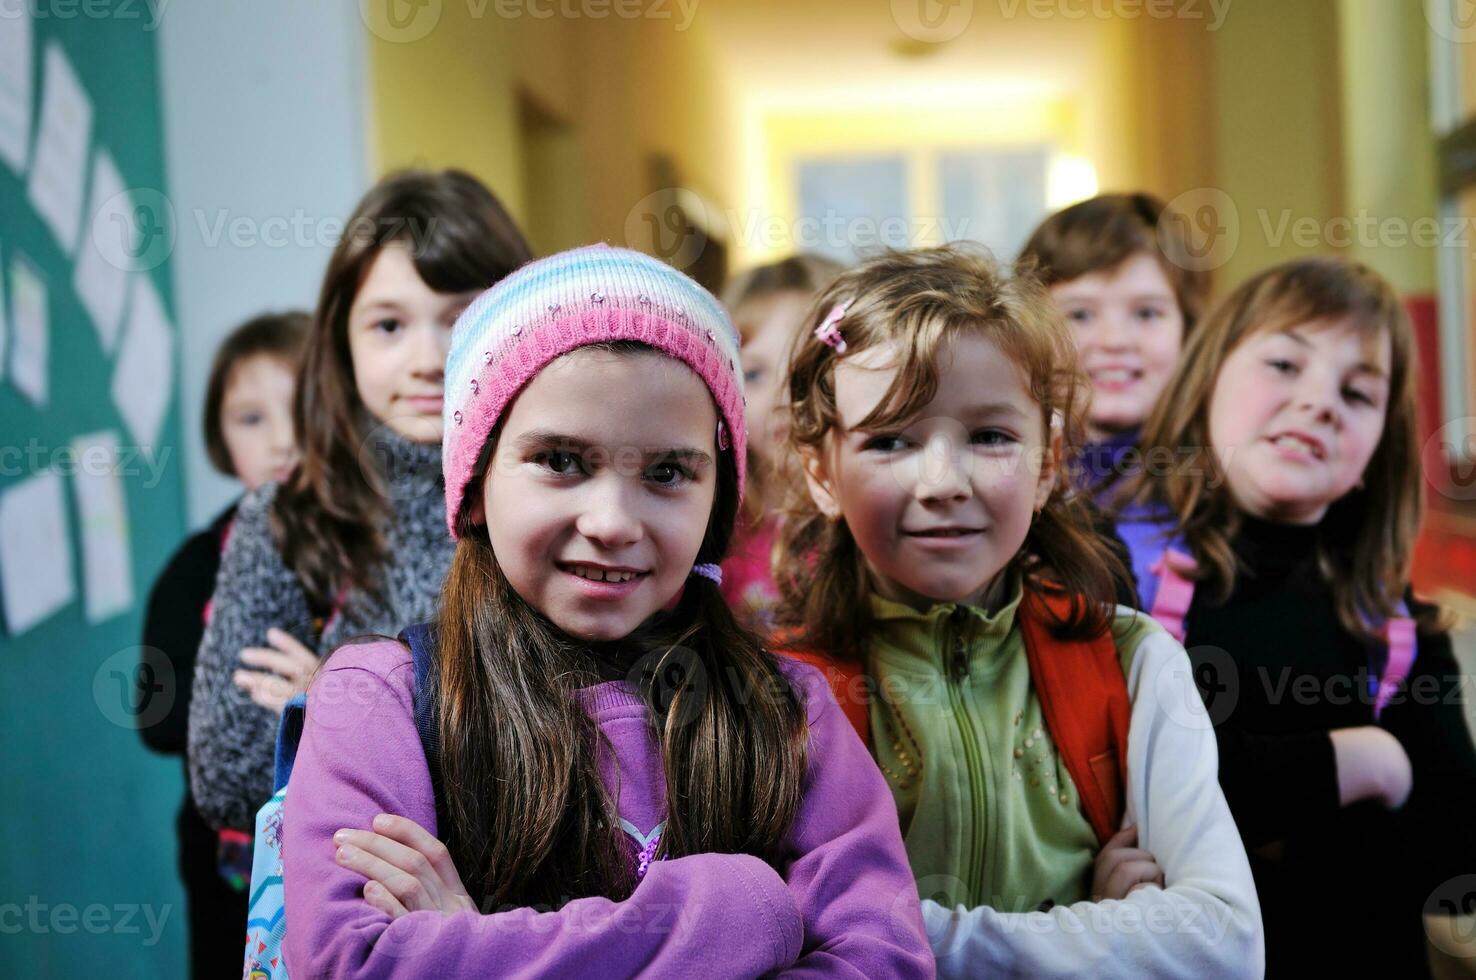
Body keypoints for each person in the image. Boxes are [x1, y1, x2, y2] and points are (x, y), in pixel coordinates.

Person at [278, 244, 935, 976]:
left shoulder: (789, 712)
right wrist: (731, 912)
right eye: (561, 461)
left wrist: (476, 949)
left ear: (718, 500)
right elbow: (354, 964)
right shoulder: (377, 701)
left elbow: (884, 964)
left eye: (667, 472)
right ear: (473, 481)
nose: (614, 521)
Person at [776, 244, 1262, 977]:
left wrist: (908, 938)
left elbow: (1226, 944)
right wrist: (1102, 932)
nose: (942, 482)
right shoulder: (776, 695)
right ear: (821, 471)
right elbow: (780, 939)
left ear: (1048, 462)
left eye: (991, 436)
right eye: (890, 441)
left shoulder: (1133, 663)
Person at [1111, 256, 1476, 976]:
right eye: (1284, 363)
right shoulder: (1117, 575)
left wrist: (1255, 792)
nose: (1320, 402)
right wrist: (1366, 762)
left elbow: (1457, 861)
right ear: (1206, 378)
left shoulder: (1395, 622)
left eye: (1358, 393)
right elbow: (1120, 801)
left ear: (1377, 451)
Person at [138, 311, 305, 977]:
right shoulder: (196, 566)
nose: (283, 439)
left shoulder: (373, 558)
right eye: (251, 418)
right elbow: (154, 716)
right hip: (225, 866)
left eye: (302, 407)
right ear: (219, 438)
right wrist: (258, 699)